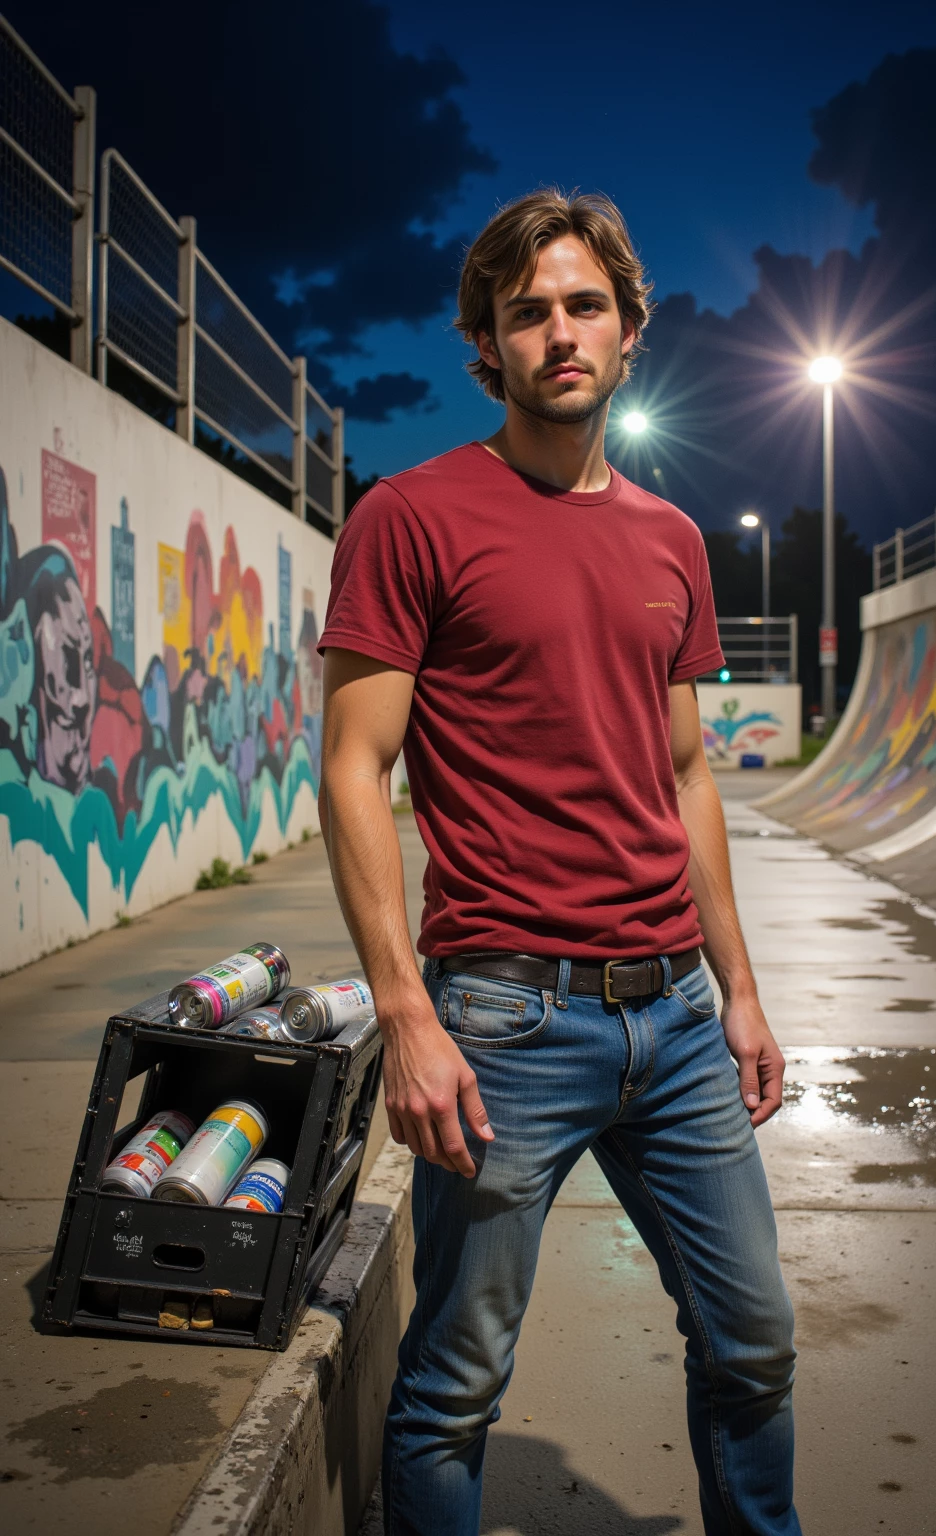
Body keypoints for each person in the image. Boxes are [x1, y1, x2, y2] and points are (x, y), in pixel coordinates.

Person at [317, 189, 801, 1536]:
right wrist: (407, 1016)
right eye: (526, 313)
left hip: (679, 1020)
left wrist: (740, 992)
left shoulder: (671, 539)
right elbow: (354, 766)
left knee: (756, 1343)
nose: (560, 332)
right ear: (488, 344)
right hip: (505, 1019)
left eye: (586, 305)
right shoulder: (410, 516)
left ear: (630, 333)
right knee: (455, 1385)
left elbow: (686, 774)